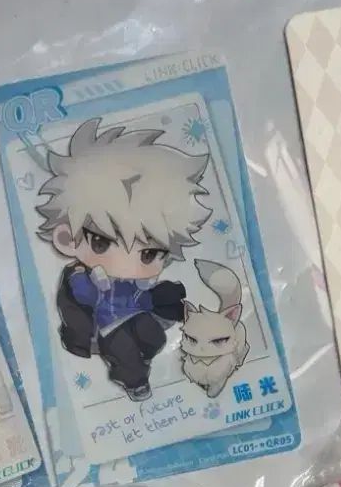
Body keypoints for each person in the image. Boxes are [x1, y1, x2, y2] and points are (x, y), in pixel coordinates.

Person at [37, 118, 211, 401]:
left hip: (134, 314)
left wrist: (156, 296)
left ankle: (141, 357)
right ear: (67, 239)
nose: (127, 262)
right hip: (106, 325)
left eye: (149, 253)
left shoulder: (133, 281)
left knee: (154, 337)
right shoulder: (80, 276)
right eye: (102, 242)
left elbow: (142, 295)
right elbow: (84, 298)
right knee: (123, 348)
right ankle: (133, 379)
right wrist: (93, 283)